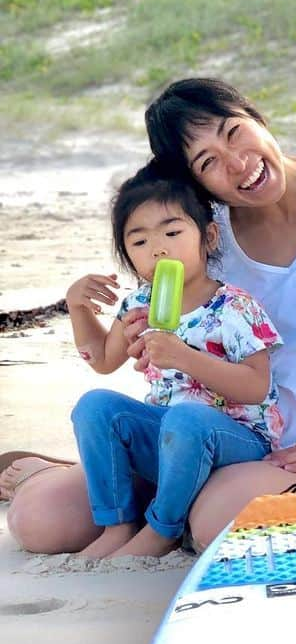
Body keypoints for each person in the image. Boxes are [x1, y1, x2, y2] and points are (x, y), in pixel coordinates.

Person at [6, 79, 296, 554]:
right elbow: (152, 338)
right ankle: (78, 477)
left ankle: (165, 506)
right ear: (195, 184)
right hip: (210, 438)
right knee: (38, 521)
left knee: (218, 520)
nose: (237, 163)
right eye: (207, 162)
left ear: (256, 116)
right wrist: (148, 339)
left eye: (234, 132)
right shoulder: (202, 236)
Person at [68, 165, 283, 559]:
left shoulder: (235, 306)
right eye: (139, 241)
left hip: (236, 440)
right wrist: (78, 309)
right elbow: (101, 360)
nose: (158, 249)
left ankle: (162, 529)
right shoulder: (138, 304)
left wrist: (186, 357)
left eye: (172, 232)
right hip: (169, 435)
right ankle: (116, 524)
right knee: (95, 406)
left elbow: (256, 388)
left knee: (186, 417)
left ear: (209, 236)